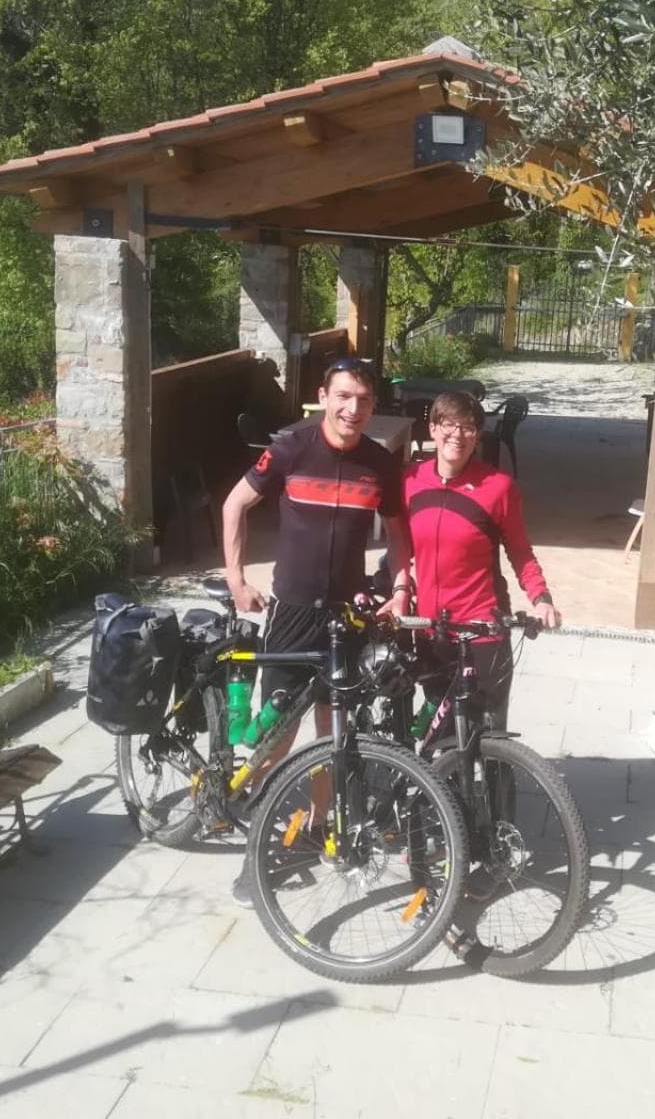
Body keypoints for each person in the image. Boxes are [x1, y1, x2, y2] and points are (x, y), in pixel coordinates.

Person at [220, 357, 412, 901]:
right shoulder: (291, 448)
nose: (354, 408)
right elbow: (235, 504)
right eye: (344, 396)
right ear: (323, 396)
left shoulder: (380, 462)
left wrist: (401, 588)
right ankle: (258, 846)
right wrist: (236, 580)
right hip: (293, 611)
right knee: (277, 734)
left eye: (365, 400)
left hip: (345, 616)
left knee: (333, 731)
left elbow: (399, 531)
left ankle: (316, 825)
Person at [403, 391, 561, 730]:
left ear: (478, 436)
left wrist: (541, 597)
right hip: (431, 630)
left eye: (469, 427)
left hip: (482, 630)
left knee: (487, 736)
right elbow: (398, 546)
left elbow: (520, 551)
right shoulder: (410, 481)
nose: (458, 435)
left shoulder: (498, 487)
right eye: (449, 424)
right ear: (433, 429)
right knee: (442, 732)